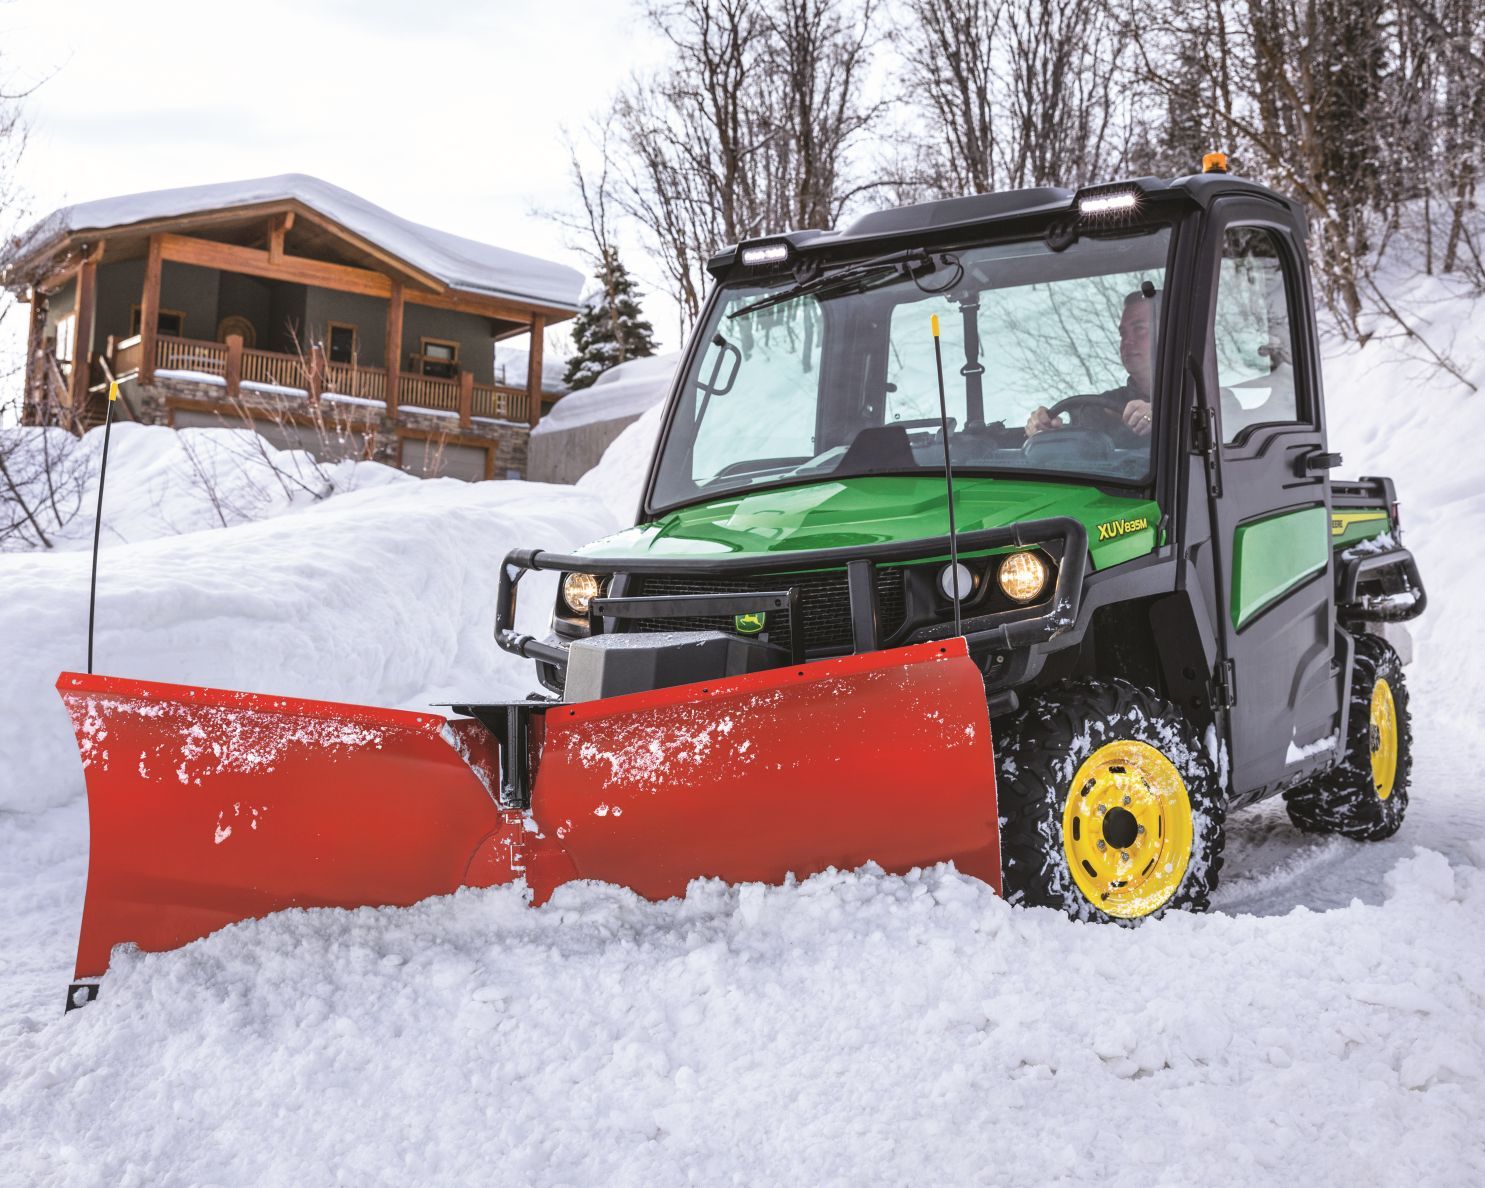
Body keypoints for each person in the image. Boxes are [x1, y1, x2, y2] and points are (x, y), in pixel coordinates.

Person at [1025, 289, 1157, 439]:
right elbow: (1079, 446)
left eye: (1139, 330)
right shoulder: (1103, 407)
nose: (1127, 341)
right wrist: (1047, 429)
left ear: (1168, 333)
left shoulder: (1187, 399)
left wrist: (1160, 417)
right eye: (1123, 334)